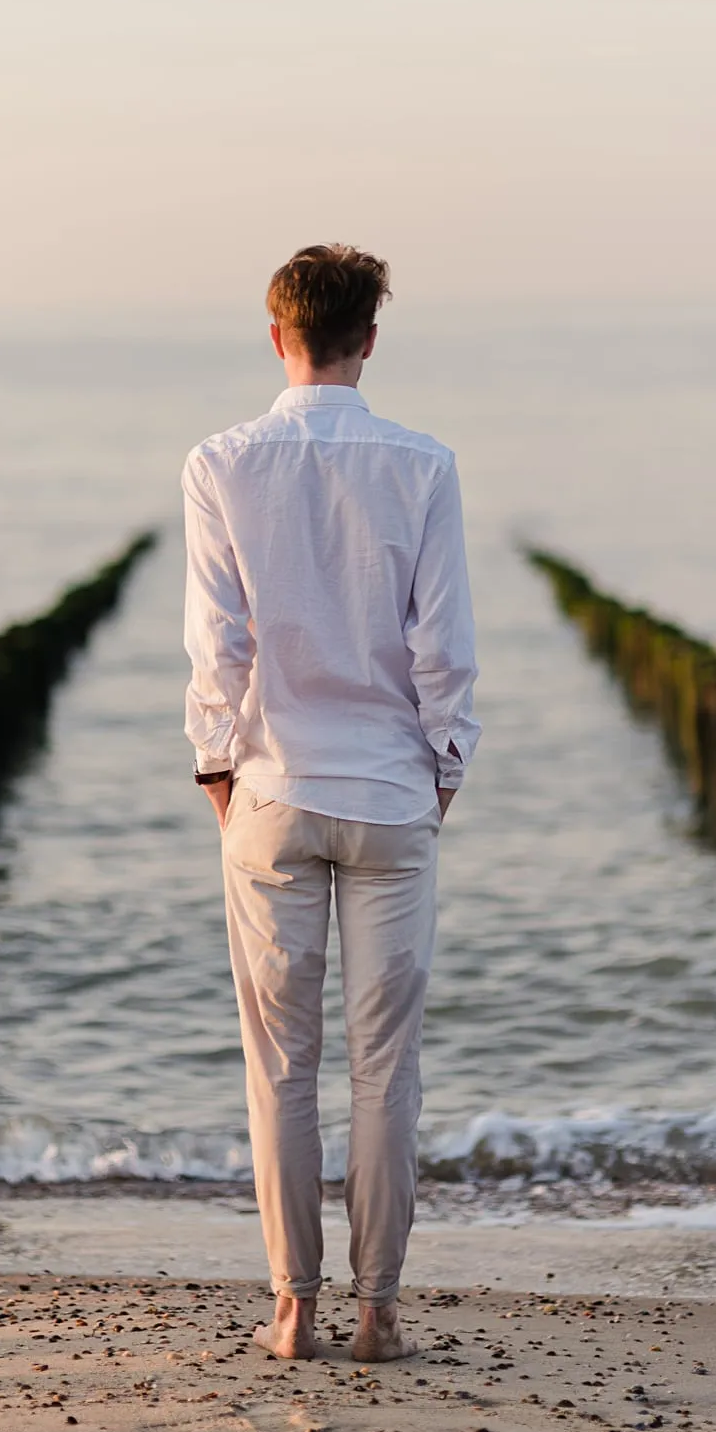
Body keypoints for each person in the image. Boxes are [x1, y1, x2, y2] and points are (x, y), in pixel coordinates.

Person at [182, 244, 480, 1362]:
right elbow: (441, 645)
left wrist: (218, 765)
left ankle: (293, 1307)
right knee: (384, 1064)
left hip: (270, 789)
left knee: (280, 1059)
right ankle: (379, 1311)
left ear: (277, 337)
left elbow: (218, 643)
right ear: (368, 337)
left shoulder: (220, 460)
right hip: (391, 790)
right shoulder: (424, 464)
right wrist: (441, 765)